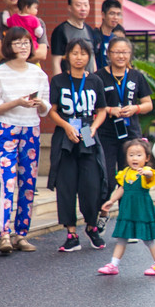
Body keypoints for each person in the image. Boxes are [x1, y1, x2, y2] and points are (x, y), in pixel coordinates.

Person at [0, 27, 50, 253]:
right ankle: (4, 234)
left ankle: (21, 234)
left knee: (28, 182)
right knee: (8, 181)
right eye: (18, 43)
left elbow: (46, 108)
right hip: (7, 129)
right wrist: (18, 102)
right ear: (9, 46)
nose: (23, 47)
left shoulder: (39, 74)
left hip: (31, 129)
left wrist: (40, 104)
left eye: (27, 42)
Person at [0, 0, 48, 197]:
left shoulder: (37, 20)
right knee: (1, 123)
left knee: (28, 122)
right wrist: (16, 55)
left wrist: (19, 54)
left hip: (29, 73)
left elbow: (42, 53)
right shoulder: (0, 19)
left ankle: (27, 179)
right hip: (5, 74)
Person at [48, 38, 108, 252]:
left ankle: (92, 227)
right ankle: (71, 234)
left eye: (83, 53)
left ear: (89, 56)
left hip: (87, 130)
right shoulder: (58, 81)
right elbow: (52, 111)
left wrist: (93, 128)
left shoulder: (95, 81)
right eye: (74, 53)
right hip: (65, 131)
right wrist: (66, 126)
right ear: (67, 56)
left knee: (92, 182)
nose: (79, 57)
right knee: (66, 184)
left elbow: (102, 110)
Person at [94, 37, 153, 201]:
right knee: (107, 176)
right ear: (108, 54)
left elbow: (148, 104)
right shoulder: (98, 77)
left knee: (130, 176)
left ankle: (125, 211)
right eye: (117, 52)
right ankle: (103, 209)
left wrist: (136, 108)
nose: (121, 56)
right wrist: (109, 110)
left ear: (130, 54)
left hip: (130, 134)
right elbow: (93, 106)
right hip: (106, 133)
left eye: (125, 52)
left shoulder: (136, 76)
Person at [98, 138, 155, 275]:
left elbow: (150, 175)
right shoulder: (125, 172)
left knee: (148, 239)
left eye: (139, 155)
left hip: (142, 211)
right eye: (131, 155)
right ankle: (113, 265)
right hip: (127, 211)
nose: (134, 158)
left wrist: (146, 173)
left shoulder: (146, 171)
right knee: (122, 238)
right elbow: (122, 188)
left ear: (147, 158)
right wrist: (112, 200)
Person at [50, 0, 101, 76]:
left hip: (89, 79)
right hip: (69, 80)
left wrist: (95, 78)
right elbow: (56, 61)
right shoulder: (61, 30)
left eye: (86, 5)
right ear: (69, 8)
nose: (83, 9)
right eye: (78, 5)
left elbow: (92, 58)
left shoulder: (89, 30)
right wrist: (58, 81)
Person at [94, 0, 123, 68]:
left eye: (118, 14)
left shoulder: (116, 39)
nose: (115, 17)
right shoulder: (93, 36)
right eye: (112, 14)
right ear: (103, 15)